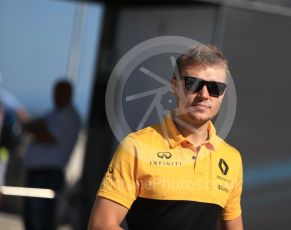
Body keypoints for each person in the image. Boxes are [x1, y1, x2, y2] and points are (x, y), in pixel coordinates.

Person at [88, 45, 243, 230]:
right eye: (193, 84)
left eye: (215, 87)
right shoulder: (137, 146)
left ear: (223, 93)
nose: (204, 94)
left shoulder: (231, 157)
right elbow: (101, 225)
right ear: (174, 86)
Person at [22, 80, 81, 230]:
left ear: (68, 94)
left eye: (59, 92)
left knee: (40, 221)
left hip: (47, 175)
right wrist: (37, 127)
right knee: (31, 220)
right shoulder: (55, 113)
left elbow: (47, 137)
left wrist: (38, 127)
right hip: (39, 174)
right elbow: (34, 126)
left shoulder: (68, 116)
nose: (55, 96)